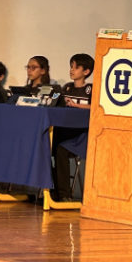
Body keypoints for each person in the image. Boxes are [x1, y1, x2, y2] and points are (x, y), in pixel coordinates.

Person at [53, 53, 94, 201]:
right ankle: (51, 190)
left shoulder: (90, 89)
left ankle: (64, 195)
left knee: (61, 150)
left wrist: (76, 105)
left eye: (76, 67)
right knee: (45, 146)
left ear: (86, 71)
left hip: (80, 135)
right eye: (71, 67)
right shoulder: (67, 87)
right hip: (65, 131)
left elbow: (95, 107)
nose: (72, 70)